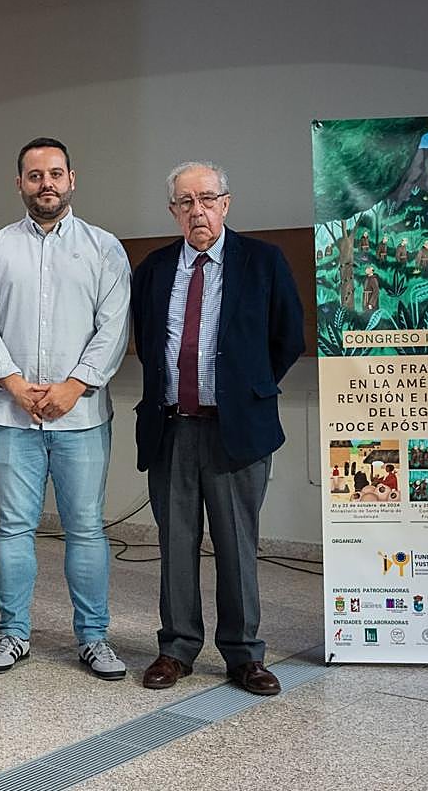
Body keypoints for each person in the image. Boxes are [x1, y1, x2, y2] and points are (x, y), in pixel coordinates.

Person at [131, 161, 304, 696]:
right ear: (173, 211)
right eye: (186, 202)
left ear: (226, 203)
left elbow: (288, 338)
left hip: (237, 430)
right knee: (175, 543)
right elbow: (145, 342)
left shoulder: (263, 262)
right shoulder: (155, 269)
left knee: (236, 544)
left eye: (207, 198)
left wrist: (244, 391)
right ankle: (176, 649)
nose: (197, 210)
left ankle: (244, 655)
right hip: (172, 428)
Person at [0, 137, 131, 680]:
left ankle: (94, 637)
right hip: (11, 416)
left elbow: (113, 327)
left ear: (72, 178)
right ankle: (13, 634)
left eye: (55, 173)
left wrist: (74, 386)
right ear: (19, 184)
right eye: (34, 176)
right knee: (14, 527)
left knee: (86, 528)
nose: (46, 184)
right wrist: (12, 382)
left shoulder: (104, 247)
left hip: (81, 416)